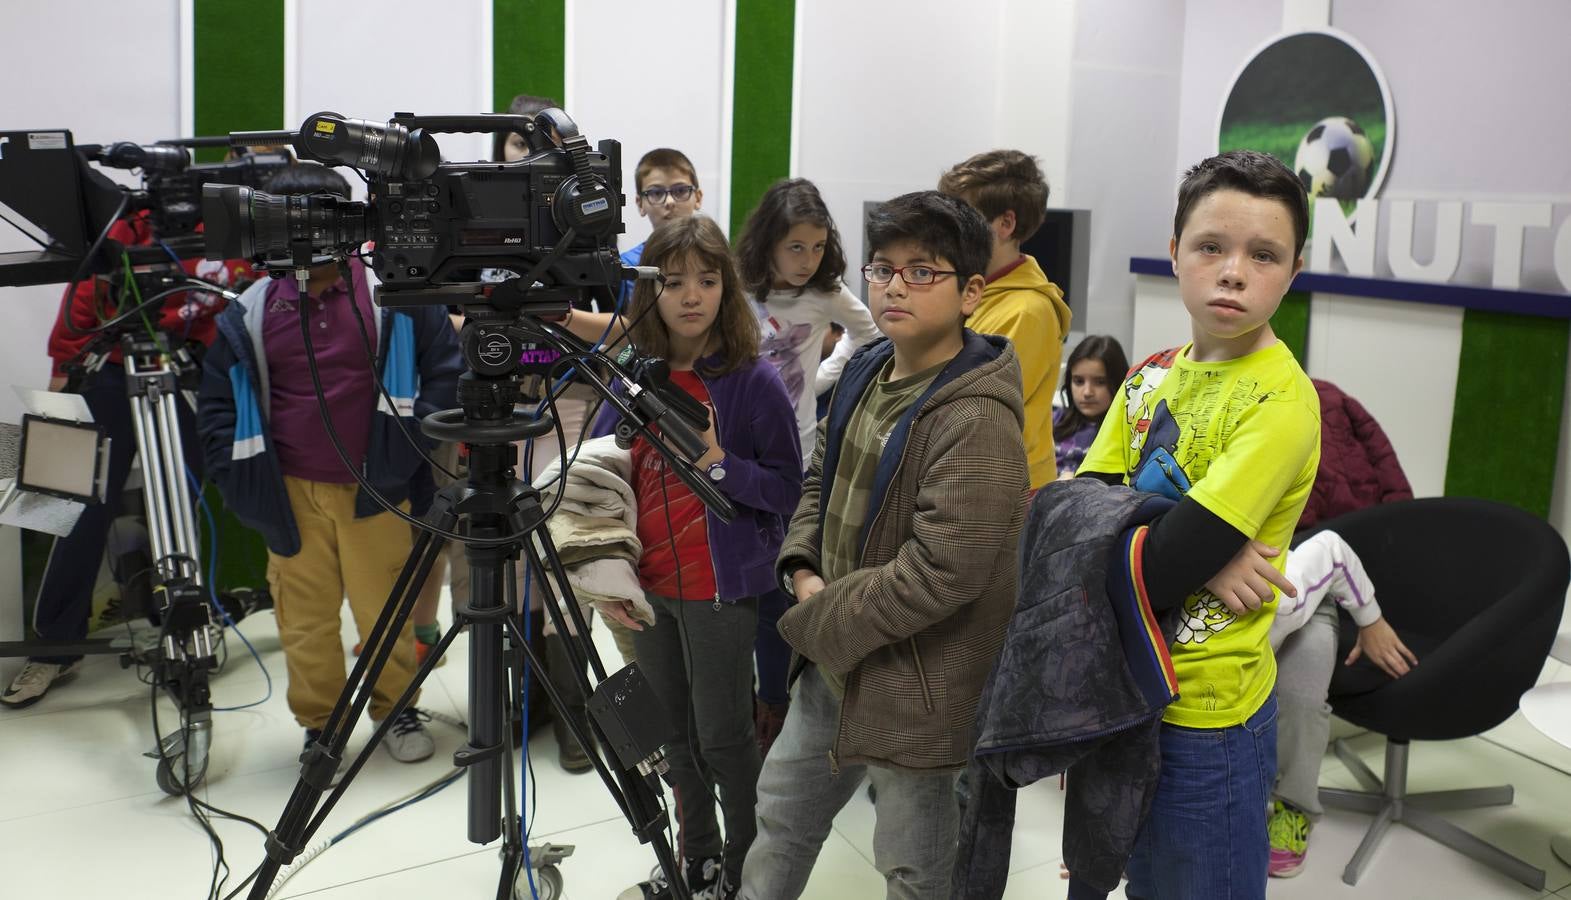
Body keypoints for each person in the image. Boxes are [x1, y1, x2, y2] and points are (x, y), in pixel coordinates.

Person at [740, 191, 1029, 900]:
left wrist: (815, 613)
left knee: (915, 866)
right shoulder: (868, 368)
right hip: (834, 659)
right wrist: (803, 566)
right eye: (884, 268)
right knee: (779, 819)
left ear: (970, 293)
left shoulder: (977, 417)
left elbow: (941, 573)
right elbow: (819, 476)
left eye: (922, 271)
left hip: (915, 684)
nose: (896, 285)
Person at [1075, 149, 1322, 899]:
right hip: (1115, 689)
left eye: (1263, 254)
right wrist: (1203, 548)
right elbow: (1071, 518)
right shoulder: (1148, 376)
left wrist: (1174, 546)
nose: (1232, 270)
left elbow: (1151, 568)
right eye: (1211, 245)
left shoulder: (1280, 402)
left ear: (1293, 268)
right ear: (1175, 247)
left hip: (1205, 720)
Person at [197, 163, 461, 764]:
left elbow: (444, 369)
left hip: (378, 487)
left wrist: (412, 447)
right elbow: (216, 401)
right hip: (288, 494)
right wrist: (238, 480)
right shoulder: (251, 310)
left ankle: (397, 709)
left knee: (385, 611)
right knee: (305, 621)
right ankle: (323, 725)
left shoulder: (392, 295)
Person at [590, 215, 802, 900]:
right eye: (674, 281)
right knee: (672, 739)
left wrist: (716, 463)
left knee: (723, 739)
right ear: (649, 291)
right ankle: (696, 860)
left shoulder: (750, 381)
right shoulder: (629, 376)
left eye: (706, 281)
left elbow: (784, 489)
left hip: (721, 592)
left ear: (726, 288)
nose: (690, 296)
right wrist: (603, 571)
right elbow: (598, 472)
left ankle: (741, 869)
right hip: (645, 590)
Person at [2, 211, 254, 709]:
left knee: (184, 505)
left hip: (183, 369)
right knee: (68, 509)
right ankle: (56, 648)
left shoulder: (239, 230)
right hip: (110, 371)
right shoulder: (135, 224)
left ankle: (182, 633)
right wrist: (63, 375)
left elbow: (239, 306)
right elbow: (83, 300)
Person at [734, 177, 880, 753]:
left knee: (777, 583)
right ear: (769, 241)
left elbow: (869, 335)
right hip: (728, 453)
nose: (808, 259)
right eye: (796, 246)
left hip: (794, 455)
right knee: (733, 583)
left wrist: (820, 380)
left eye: (817, 247)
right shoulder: (740, 287)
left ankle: (774, 701)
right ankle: (739, 697)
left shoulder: (827, 293)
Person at [1267, 530, 1417, 878]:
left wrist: (1371, 620)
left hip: (1308, 607)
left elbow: (1332, 548)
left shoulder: (1288, 597)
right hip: (1217, 617)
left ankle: (1294, 807)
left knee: (1299, 698)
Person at [938, 149, 1072, 489]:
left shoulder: (1028, 311)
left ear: (1006, 224)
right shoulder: (973, 288)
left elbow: (970, 410)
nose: (946, 231)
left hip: (999, 488)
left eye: (962, 218)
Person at [1052, 335, 1129, 478]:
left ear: (1118, 382)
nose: (1087, 392)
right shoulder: (1052, 422)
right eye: (1079, 381)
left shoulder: (1129, 433)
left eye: (1100, 382)